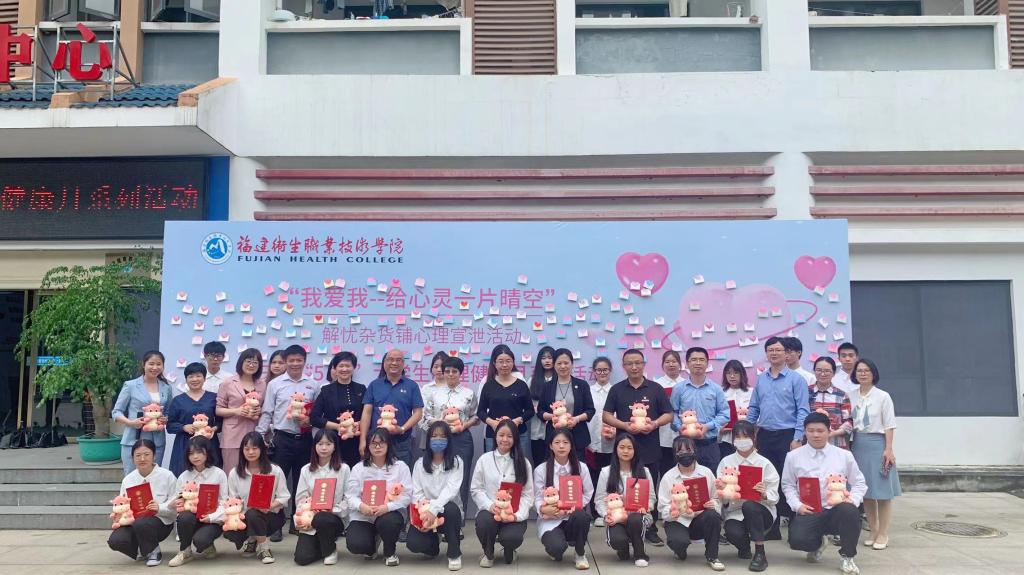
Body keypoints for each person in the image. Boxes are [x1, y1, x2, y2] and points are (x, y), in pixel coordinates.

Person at [602, 349, 673, 547]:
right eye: (629, 363)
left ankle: (651, 529)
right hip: (624, 449)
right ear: (624, 366)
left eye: (638, 363)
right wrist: (624, 426)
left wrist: (655, 424)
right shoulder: (617, 389)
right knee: (623, 487)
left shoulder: (655, 388)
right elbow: (606, 415)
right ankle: (623, 524)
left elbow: (669, 414)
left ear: (643, 364)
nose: (634, 367)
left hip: (650, 448)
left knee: (648, 489)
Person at [782, 412, 867, 575]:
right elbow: (788, 485)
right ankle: (818, 543)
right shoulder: (793, 457)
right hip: (809, 510)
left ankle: (848, 557)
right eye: (811, 430)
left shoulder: (844, 456)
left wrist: (853, 500)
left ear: (829, 431)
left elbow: (859, 482)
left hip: (836, 509)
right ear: (805, 432)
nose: (815, 435)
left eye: (820, 431)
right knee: (797, 540)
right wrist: (797, 505)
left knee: (850, 511)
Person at [256, 344, 320, 538]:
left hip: (305, 439)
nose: (295, 364)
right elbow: (267, 412)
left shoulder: (313, 385)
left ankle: (297, 521)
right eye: (291, 360)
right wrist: (259, 436)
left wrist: (311, 424)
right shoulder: (275, 384)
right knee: (277, 481)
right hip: (282, 439)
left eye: (299, 360)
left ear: (304, 361)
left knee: (303, 482)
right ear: (285, 362)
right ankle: (275, 525)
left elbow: (316, 414)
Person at [746, 337, 810, 529]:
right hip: (764, 435)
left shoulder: (796, 379)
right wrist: (746, 432)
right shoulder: (761, 379)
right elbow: (754, 408)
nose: (774, 353)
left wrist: (797, 437)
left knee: (789, 477)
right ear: (766, 354)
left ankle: (794, 520)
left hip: (788, 435)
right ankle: (771, 524)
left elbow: (803, 410)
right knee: (767, 478)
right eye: (770, 350)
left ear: (786, 354)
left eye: (778, 350)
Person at [850, 359, 901, 550]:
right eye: (859, 370)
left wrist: (888, 449)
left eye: (867, 370)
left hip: (878, 444)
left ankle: (884, 533)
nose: (863, 374)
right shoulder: (850, 395)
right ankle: (873, 530)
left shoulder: (883, 396)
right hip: (858, 445)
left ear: (873, 373)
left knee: (883, 492)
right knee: (866, 492)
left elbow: (889, 424)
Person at [345, 427, 413, 567]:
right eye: (373, 443)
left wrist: (388, 507)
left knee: (389, 522)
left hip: (389, 513)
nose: (377, 447)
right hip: (364, 515)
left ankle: (389, 552)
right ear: (367, 446)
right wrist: (361, 506)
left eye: (381, 443)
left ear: (388, 444)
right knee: (356, 545)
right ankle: (372, 544)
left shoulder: (400, 467)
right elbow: (350, 496)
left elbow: (407, 495)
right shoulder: (359, 468)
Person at [717, 420, 779, 572]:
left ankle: (760, 553)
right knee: (732, 532)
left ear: (754, 438)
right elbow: (720, 497)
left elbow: (775, 496)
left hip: (761, 511)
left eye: (745, 436)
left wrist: (764, 493)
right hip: (735, 511)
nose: (741, 440)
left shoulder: (764, 463)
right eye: (737, 437)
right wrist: (723, 491)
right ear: (733, 440)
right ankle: (744, 548)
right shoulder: (726, 462)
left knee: (750, 505)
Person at [470, 418, 534, 567]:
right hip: (490, 511)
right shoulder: (484, 460)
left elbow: (527, 495)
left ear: (515, 438)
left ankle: (509, 548)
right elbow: (476, 489)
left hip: (513, 513)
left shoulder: (523, 463)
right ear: (495, 436)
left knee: (511, 538)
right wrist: (490, 505)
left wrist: (516, 516)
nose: (505, 439)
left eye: (509, 436)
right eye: (501, 435)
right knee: (484, 522)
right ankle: (488, 552)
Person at [658, 436, 725, 571]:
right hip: (678, 520)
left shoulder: (706, 473)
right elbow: (663, 507)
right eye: (680, 451)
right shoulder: (668, 477)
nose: (685, 454)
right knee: (678, 542)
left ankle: (712, 556)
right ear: (675, 454)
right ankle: (680, 550)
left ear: (695, 451)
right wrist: (674, 510)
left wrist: (713, 503)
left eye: (688, 450)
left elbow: (717, 498)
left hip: (700, 518)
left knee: (712, 516)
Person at [420, 355, 478, 512]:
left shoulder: (469, 393)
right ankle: (436, 514)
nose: (450, 374)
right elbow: (426, 416)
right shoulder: (434, 394)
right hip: (439, 439)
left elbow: (476, 416)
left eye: (454, 371)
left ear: (460, 373)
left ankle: (459, 518)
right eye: (447, 371)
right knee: (438, 476)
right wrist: (440, 423)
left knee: (462, 478)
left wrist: (464, 426)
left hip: (462, 438)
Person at [107, 439, 177, 566]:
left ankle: (154, 551)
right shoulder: (128, 480)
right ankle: (143, 549)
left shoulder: (167, 476)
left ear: (154, 456)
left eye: (146, 454)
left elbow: (175, 504)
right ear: (133, 458)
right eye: (138, 455)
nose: (142, 459)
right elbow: (123, 503)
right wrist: (119, 515)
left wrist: (159, 507)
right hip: (134, 522)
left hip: (161, 522)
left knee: (142, 523)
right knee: (115, 541)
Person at [224, 432, 290, 564]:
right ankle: (253, 539)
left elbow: (284, 497)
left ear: (262, 449)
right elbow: (232, 500)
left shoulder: (274, 470)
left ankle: (264, 548)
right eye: (247, 448)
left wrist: (269, 506)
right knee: (235, 527)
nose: (250, 452)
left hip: (270, 516)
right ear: (242, 450)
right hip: (244, 516)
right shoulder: (234, 473)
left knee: (254, 514)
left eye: (254, 448)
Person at [534, 428, 594, 569]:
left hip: (572, 517)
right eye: (557, 442)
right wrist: (543, 509)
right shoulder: (541, 469)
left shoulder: (581, 467)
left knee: (582, 516)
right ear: (550, 446)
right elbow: (536, 497)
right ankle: (555, 549)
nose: (561, 446)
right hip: (550, 520)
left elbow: (588, 492)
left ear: (571, 445)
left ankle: (580, 553)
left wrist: (575, 505)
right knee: (556, 548)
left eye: (565, 442)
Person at [409, 421, 465, 570]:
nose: (438, 440)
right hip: (425, 511)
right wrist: (424, 514)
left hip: (447, 510)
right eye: (434, 436)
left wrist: (433, 509)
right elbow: (417, 493)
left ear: (449, 439)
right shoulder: (420, 464)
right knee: (413, 544)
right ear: (428, 440)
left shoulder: (457, 462)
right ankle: (433, 545)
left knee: (451, 509)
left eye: (442, 436)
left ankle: (454, 553)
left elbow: (450, 491)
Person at [594, 433, 655, 567]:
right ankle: (623, 547)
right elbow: (599, 499)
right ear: (615, 449)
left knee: (635, 519)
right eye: (622, 447)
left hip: (639, 516)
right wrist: (605, 515)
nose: (625, 451)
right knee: (617, 541)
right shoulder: (606, 472)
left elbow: (651, 497)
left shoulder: (644, 471)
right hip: (616, 517)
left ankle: (640, 553)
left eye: (629, 448)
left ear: (635, 450)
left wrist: (647, 507)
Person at [167, 436, 229, 567]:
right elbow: (178, 501)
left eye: (199, 452)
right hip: (191, 519)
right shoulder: (184, 476)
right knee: (184, 516)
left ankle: (207, 544)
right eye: (191, 453)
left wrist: (212, 517)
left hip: (212, 520)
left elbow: (224, 502)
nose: (195, 456)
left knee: (201, 540)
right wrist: (174, 504)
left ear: (208, 452)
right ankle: (185, 551)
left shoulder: (219, 474)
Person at [293, 429, 350, 566]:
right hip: (311, 518)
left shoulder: (344, 469)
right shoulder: (306, 469)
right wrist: (308, 511)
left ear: (335, 446)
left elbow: (348, 498)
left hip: (334, 518)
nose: (324, 448)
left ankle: (330, 550)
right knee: (301, 558)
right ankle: (322, 545)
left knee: (323, 518)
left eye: (328, 444)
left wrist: (332, 510)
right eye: (320, 444)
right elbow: (300, 498)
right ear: (314, 446)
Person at [359, 348, 424, 468]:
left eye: (398, 360)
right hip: (376, 441)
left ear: (403, 364)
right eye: (390, 359)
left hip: (402, 442)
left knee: (401, 474)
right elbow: (367, 413)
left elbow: (418, 413)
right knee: (375, 474)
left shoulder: (412, 385)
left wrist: (402, 429)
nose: (394, 363)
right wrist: (362, 440)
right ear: (384, 363)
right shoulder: (374, 385)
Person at [112, 350, 173, 475]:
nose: (155, 367)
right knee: (132, 478)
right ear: (143, 364)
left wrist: (165, 419)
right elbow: (116, 412)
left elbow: (168, 412)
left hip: (157, 441)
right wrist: (131, 422)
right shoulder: (131, 385)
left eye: (159, 364)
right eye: (151, 364)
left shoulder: (166, 387)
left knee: (154, 477)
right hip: (134, 439)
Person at [670, 347, 730, 472]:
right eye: (694, 359)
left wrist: (708, 426)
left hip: (709, 444)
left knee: (711, 478)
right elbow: (673, 412)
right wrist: (679, 427)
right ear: (687, 364)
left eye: (702, 360)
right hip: (685, 445)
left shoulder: (716, 389)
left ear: (707, 364)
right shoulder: (678, 388)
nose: (698, 363)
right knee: (685, 479)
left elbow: (725, 414)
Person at [309, 351, 366, 468]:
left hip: (356, 440)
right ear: (334, 368)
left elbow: (367, 414)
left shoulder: (361, 389)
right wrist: (337, 426)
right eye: (341, 366)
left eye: (348, 366)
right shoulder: (326, 390)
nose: (344, 369)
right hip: (332, 442)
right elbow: (314, 418)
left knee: (354, 473)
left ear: (354, 368)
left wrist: (358, 424)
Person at [537, 348, 596, 460]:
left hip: (577, 437)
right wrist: (553, 417)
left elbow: (590, 410)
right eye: (559, 363)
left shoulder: (582, 385)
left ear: (572, 364)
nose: (563, 366)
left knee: (577, 469)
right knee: (553, 468)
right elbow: (540, 411)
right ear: (554, 365)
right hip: (554, 437)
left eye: (566, 363)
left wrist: (576, 419)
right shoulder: (547, 386)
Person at [477, 344, 534, 455]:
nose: (504, 365)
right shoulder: (488, 385)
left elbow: (530, 411)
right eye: (500, 361)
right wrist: (493, 423)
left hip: (518, 434)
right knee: (493, 464)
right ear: (494, 363)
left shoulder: (521, 385)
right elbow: (480, 411)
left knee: (519, 464)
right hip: (494, 434)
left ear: (513, 363)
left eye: (508, 361)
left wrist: (517, 421)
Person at [216, 348, 267, 473]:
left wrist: (258, 411)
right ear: (241, 362)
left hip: (254, 433)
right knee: (231, 472)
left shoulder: (262, 384)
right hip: (232, 435)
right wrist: (236, 411)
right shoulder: (228, 383)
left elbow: (264, 408)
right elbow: (218, 410)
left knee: (253, 472)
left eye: (255, 362)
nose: (251, 365)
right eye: (248, 361)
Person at [166, 362, 220, 476]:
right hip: (184, 444)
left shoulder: (214, 398)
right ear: (186, 379)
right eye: (191, 376)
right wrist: (183, 427)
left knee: (211, 476)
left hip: (208, 443)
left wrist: (213, 429)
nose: (194, 379)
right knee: (184, 476)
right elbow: (170, 426)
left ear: (204, 378)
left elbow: (220, 422)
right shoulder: (178, 400)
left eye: (198, 376)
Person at [586, 356, 615, 526]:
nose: (602, 373)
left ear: (610, 371)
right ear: (594, 372)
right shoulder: (588, 391)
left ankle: (611, 510)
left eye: (605, 370)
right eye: (599, 370)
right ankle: (595, 513)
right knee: (592, 478)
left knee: (610, 477)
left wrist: (615, 430)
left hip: (613, 443)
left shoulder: (616, 390)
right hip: (591, 443)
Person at [808, 357, 853, 449]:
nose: (822, 374)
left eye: (827, 371)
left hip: (835, 443)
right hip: (810, 443)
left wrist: (833, 433)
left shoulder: (842, 395)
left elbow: (849, 422)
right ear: (814, 371)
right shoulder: (805, 392)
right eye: (819, 370)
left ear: (833, 373)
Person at [655, 350, 686, 478]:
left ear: (680, 364)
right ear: (663, 365)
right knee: (665, 472)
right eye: (667, 362)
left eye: (674, 361)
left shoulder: (687, 384)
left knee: (685, 471)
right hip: (663, 435)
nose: (671, 364)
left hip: (684, 432)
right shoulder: (656, 385)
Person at [417, 351, 450, 458]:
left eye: (442, 366)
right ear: (431, 369)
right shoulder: (426, 389)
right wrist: (434, 424)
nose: (439, 369)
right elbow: (421, 413)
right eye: (436, 366)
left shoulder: (454, 388)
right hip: (429, 434)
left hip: (451, 434)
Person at [529, 346, 557, 466]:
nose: (547, 361)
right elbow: (527, 403)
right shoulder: (532, 380)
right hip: (537, 429)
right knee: (539, 464)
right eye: (543, 358)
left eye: (550, 358)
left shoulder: (560, 380)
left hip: (556, 428)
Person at [719, 359, 752, 459]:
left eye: (736, 373)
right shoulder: (720, 392)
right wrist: (719, 430)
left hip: (747, 437)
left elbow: (757, 414)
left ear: (742, 374)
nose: (732, 376)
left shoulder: (751, 392)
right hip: (726, 438)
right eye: (728, 373)